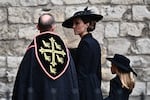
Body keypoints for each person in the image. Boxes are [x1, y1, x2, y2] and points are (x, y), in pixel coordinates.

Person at [12, 13, 79, 100]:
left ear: (38, 27)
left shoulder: (32, 51)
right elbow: (72, 81)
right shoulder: (65, 51)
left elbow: (22, 83)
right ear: (53, 27)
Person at [62, 7, 103, 100]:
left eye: (77, 23)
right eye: (73, 23)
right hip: (94, 85)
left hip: (86, 89)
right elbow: (98, 71)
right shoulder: (94, 42)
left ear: (87, 24)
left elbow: (82, 73)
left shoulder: (85, 43)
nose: (73, 26)